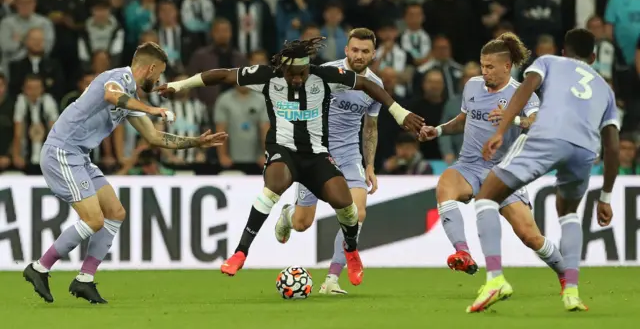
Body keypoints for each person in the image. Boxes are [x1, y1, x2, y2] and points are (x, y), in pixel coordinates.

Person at [155, 37, 424, 286]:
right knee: (273, 185)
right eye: (291, 74)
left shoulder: (324, 76)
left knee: (345, 207)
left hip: (317, 154)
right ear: (282, 69)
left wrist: (399, 113)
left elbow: (366, 84)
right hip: (283, 150)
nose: (296, 79)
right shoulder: (266, 76)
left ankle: (351, 251)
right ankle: (240, 252)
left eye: (301, 74)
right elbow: (222, 75)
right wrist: (178, 85)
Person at [22, 42, 228, 304]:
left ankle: (84, 279)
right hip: (62, 152)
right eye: (160, 73)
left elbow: (154, 137)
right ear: (151, 67)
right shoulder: (117, 78)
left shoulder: (130, 95)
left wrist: (196, 142)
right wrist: (152, 109)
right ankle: (40, 268)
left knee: (115, 213)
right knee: (93, 220)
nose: (158, 80)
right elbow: (111, 95)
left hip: (79, 156)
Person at [469, 28, 619, 312]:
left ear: (564, 51)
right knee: (570, 214)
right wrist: (606, 197)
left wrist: (501, 129)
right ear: (594, 57)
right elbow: (612, 146)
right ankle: (572, 291)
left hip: (548, 137)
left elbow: (526, 90)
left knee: (487, 196)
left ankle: (495, 279)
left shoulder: (549, 62)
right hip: (585, 149)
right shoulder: (605, 89)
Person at [420, 33, 566, 293]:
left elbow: (538, 123)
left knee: (530, 237)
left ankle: (566, 274)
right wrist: (439, 131)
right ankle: (462, 253)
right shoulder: (472, 86)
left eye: (490, 67)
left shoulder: (521, 94)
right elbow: (463, 120)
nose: (484, 72)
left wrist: (514, 119)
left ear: (507, 66)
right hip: (469, 165)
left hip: (503, 172)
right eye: (482, 65)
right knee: (445, 185)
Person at [272, 28, 381, 295]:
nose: (359, 55)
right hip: (315, 153)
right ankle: (288, 214)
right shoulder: (324, 73)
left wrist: (370, 165)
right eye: (354, 50)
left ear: (373, 54)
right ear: (346, 50)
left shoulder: (375, 85)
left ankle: (332, 279)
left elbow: (370, 127)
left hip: (348, 155)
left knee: (358, 212)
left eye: (365, 51)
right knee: (302, 223)